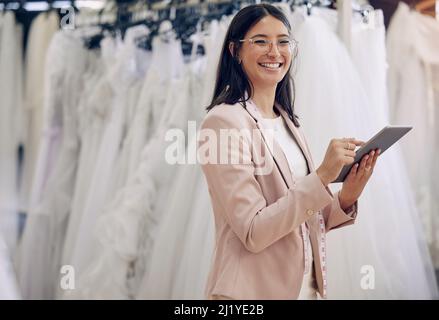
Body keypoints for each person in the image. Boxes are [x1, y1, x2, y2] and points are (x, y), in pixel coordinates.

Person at [198, 3, 380, 300]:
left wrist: (347, 195)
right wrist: (322, 175)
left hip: (304, 291)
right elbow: (254, 231)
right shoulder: (222, 122)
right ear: (235, 51)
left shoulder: (288, 121)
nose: (274, 51)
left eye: (283, 41)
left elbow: (302, 217)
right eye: (260, 41)